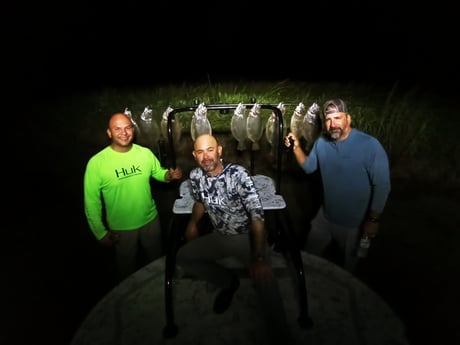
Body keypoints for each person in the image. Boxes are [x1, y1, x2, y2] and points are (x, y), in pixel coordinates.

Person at [176, 134, 292, 344]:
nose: (206, 157)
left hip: (246, 238)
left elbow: (257, 215)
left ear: (219, 150)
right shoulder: (195, 176)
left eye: (210, 150)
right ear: (194, 155)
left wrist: (258, 257)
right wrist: (192, 223)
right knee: (184, 257)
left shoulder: (238, 175)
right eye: (200, 152)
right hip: (219, 236)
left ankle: (281, 337)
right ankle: (228, 281)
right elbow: (201, 201)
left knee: (266, 282)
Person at [284, 98, 391, 273]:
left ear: (348, 119)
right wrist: (296, 147)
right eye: (328, 119)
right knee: (307, 259)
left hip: (352, 225)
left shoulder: (370, 146)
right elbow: (309, 167)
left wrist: (373, 220)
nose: (333, 124)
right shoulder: (321, 143)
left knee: (349, 268)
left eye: (338, 118)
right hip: (324, 217)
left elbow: (382, 186)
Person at [84, 112, 183, 282]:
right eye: (118, 129)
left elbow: (157, 172)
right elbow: (91, 202)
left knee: (157, 262)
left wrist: (169, 175)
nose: (124, 133)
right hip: (121, 229)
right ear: (109, 133)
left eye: (128, 127)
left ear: (133, 130)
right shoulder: (96, 163)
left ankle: (159, 292)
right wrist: (100, 232)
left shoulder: (144, 153)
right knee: (127, 271)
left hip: (150, 221)